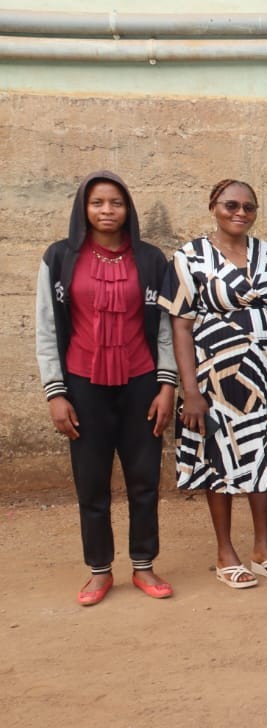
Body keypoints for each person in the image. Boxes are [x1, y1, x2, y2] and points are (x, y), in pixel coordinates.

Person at [35, 171, 177, 605]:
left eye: (116, 203)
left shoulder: (152, 260)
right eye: (98, 203)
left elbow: (166, 329)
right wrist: (55, 393)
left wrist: (167, 386)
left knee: (144, 479)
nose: (107, 211)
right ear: (84, 208)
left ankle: (143, 564)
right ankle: (99, 571)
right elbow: (45, 326)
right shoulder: (59, 258)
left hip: (140, 384)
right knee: (91, 481)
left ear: (127, 208)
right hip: (83, 386)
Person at [161, 180, 267, 589]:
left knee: (264, 458)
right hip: (215, 379)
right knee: (219, 461)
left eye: (249, 207)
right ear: (213, 207)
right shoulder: (189, 257)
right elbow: (180, 327)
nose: (240, 212)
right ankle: (225, 553)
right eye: (231, 205)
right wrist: (192, 391)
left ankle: (263, 549)